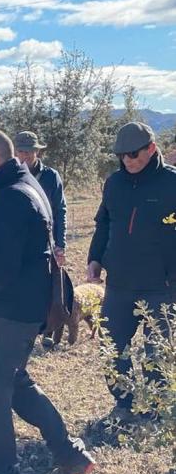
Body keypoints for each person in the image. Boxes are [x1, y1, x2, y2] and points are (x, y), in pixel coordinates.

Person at [0, 128, 94, 474]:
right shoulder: (27, 185)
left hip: (10, 311)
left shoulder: (11, 197)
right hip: (25, 308)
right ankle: (69, 453)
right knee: (14, 383)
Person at [87, 121, 176, 421]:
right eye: (121, 155)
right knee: (111, 349)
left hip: (161, 287)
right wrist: (94, 258)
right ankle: (125, 403)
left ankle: (156, 410)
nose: (127, 160)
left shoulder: (172, 183)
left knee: (156, 355)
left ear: (151, 149)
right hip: (120, 285)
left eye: (134, 153)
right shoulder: (114, 183)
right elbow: (104, 223)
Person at [14, 130, 68, 347]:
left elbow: (60, 210)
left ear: (37, 152)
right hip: (19, 242)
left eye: (29, 151)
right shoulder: (11, 175)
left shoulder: (50, 176)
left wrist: (60, 243)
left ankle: (49, 328)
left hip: (46, 241)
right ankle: (22, 329)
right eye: (21, 151)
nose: (25, 156)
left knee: (48, 286)